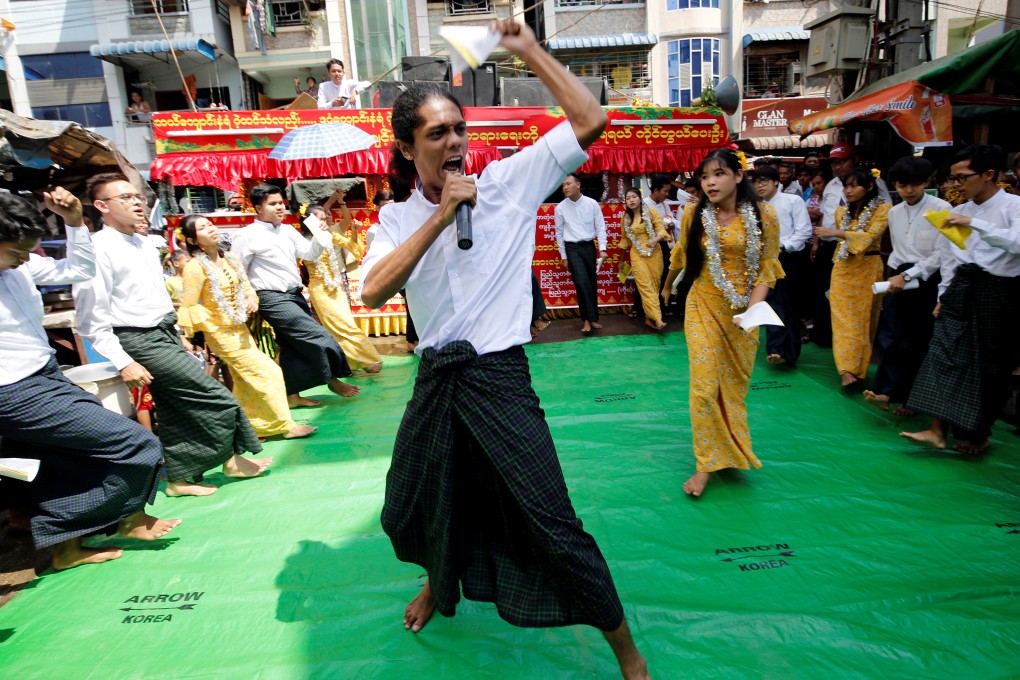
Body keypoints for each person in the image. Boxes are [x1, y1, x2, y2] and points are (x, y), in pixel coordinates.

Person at [359, 19, 649, 680]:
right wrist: (439, 216)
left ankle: (628, 655)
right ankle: (441, 580)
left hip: (498, 378)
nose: (455, 142)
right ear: (408, 149)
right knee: (414, 501)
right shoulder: (396, 218)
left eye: (459, 129)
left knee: (553, 522)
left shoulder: (511, 184)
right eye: (438, 134)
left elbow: (591, 119)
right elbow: (374, 291)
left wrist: (527, 50)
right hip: (437, 381)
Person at [0, 189, 180, 570]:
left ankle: (66, 548)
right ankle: (128, 517)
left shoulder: (21, 266)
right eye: (15, 252)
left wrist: (74, 223)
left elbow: (79, 270)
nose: (21, 262)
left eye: (25, 253)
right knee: (136, 442)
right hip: (13, 390)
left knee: (61, 461)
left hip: (44, 373)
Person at [73, 173, 270, 498]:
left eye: (137, 196)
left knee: (174, 407)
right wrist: (123, 361)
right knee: (216, 397)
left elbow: (157, 297)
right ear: (101, 206)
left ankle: (180, 478)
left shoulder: (143, 242)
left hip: (163, 331)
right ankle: (231, 460)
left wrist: (177, 332)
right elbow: (90, 319)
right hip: (137, 339)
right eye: (125, 198)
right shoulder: (96, 248)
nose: (136, 202)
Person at [661, 149, 783, 499]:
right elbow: (682, 254)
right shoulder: (693, 212)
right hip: (703, 304)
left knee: (731, 387)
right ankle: (706, 463)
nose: (710, 182)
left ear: (739, 176)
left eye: (718, 174)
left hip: (744, 313)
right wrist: (668, 284)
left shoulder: (764, 215)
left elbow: (768, 267)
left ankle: (729, 450)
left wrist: (753, 310)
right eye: (704, 176)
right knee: (703, 385)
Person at [901, 144, 1020, 455]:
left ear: (989, 174)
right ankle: (936, 429)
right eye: (952, 179)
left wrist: (975, 224)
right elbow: (951, 257)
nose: (955, 185)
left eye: (962, 178)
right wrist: (944, 294)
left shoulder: (1012, 207)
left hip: (999, 291)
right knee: (943, 350)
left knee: (990, 365)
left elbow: (1016, 244)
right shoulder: (960, 212)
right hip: (962, 287)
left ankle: (979, 434)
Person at [177, 215, 316, 440]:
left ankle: (250, 428)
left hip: (240, 329)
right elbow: (189, 306)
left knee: (244, 382)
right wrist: (213, 322)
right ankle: (283, 425)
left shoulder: (230, 258)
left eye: (210, 224)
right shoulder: (194, 267)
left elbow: (246, 286)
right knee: (268, 372)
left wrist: (251, 297)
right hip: (220, 333)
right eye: (202, 228)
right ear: (193, 241)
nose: (210, 228)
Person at [231, 184, 360, 407]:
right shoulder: (246, 235)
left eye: (281, 202)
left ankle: (292, 396)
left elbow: (309, 253)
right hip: (271, 297)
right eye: (273, 204)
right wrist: (249, 295)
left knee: (290, 346)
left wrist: (320, 233)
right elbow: (237, 270)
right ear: (258, 208)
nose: (279, 207)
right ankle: (332, 379)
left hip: (295, 294)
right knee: (319, 336)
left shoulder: (288, 230)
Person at [864, 157, 949, 415]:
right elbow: (899, 251)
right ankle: (886, 391)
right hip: (898, 276)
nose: (908, 191)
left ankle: (913, 400)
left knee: (917, 340)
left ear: (926, 182)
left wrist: (910, 275)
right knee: (890, 335)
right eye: (902, 185)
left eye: (915, 185)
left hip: (926, 279)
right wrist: (897, 275)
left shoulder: (941, 208)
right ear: (895, 185)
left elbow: (942, 253)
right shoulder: (894, 212)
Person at [815, 168, 891, 388]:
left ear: (868, 187)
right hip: (842, 267)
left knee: (864, 319)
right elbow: (847, 241)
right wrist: (839, 235)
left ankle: (860, 369)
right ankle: (846, 370)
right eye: (846, 186)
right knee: (842, 320)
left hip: (868, 267)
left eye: (854, 185)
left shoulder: (883, 210)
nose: (848, 191)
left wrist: (836, 234)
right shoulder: (841, 212)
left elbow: (868, 238)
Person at [302, 199, 383, 373]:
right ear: (309, 221)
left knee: (346, 324)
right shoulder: (301, 242)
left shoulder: (331, 235)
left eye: (325, 218)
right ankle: (366, 360)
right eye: (320, 219)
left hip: (337, 286)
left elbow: (354, 248)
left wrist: (354, 232)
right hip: (319, 290)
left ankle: (352, 362)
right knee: (336, 327)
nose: (325, 222)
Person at [751, 166, 812, 365]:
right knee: (772, 302)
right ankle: (776, 349)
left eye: (764, 181)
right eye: (756, 182)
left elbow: (804, 230)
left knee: (790, 305)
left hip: (790, 258)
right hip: (766, 260)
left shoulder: (792, 201)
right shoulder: (755, 207)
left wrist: (784, 247)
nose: (759, 186)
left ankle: (790, 351)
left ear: (776, 182)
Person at [554, 173, 607, 335]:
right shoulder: (560, 208)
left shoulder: (591, 204)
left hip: (589, 247)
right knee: (582, 283)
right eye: (563, 185)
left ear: (578, 185)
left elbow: (600, 226)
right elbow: (559, 233)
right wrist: (563, 256)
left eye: (568, 184)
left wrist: (603, 248)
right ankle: (586, 320)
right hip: (572, 249)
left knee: (591, 283)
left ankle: (592, 318)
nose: (565, 187)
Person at [621, 187, 670, 331]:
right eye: (628, 198)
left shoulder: (651, 212)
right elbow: (625, 241)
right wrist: (621, 261)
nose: (631, 200)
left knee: (654, 286)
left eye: (634, 197)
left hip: (654, 253)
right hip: (637, 254)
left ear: (640, 199)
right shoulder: (625, 218)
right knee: (645, 286)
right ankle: (658, 319)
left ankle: (649, 318)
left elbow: (661, 230)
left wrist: (655, 240)